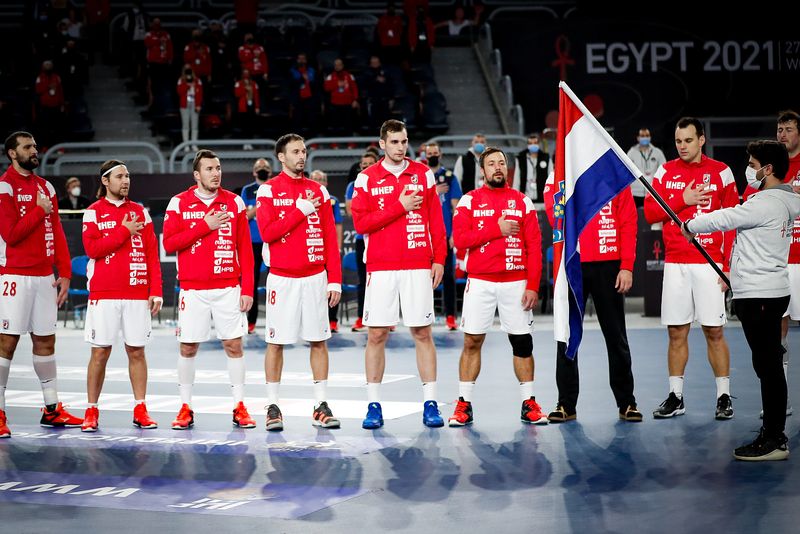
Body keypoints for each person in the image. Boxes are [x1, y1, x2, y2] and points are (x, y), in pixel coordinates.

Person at [681, 140, 800, 461]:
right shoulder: (786, 199)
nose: (749, 169)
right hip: (765, 292)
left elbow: (726, 218)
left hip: (761, 294)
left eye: (752, 163)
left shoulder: (767, 202)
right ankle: (773, 433)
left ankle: (775, 439)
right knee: (769, 363)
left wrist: (690, 224)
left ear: (768, 169)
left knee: (768, 366)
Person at [351, 119, 447, 429]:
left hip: (418, 264)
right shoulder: (366, 179)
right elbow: (362, 224)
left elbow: (436, 220)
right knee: (376, 334)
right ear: (382, 144)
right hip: (381, 266)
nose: (400, 147)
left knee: (422, 332)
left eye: (404, 141)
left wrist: (440, 259)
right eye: (394, 142)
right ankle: (373, 405)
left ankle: (430, 403)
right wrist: (400, 206)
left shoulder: (422, 174)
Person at [644, 117, 738, 420]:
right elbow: (649, 213)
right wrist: (682, 199)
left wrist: (726, 266)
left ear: (701, 140)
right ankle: (676, 396)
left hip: (708, 263)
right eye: (678, 141)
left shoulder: (721, 172)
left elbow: (734, 221)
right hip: (675, 263)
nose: (682, 146)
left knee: (714, 331)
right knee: (676, 333)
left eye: (688, 140)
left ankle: (724, 397)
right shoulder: (666, 171)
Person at [448, 146, 547, 426]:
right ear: (482, 171)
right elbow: (461, 239)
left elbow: (535, 247)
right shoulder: (469, 201)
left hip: (516, 283)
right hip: (480, 282)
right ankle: (463, 404)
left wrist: (533, 286)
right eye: (491, 164)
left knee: (522, 343)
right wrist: (496, 229)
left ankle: (529, 403)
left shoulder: (522, 202)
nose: (497, 167)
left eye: (501, 163)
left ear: (507, 168)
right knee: (471, 341)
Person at [163, 149, 256, 430]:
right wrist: (205, 225)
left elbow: (246, 250)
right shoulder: (179, 203)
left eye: (218, 168)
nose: (216, 173)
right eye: (209, 169)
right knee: (188, 347)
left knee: (234, 345)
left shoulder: (235, 202)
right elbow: (169, 244)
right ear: (196, 174)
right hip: (193, 289)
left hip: (228, 287)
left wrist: (247, 288)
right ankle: (185, 407)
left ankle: (240, 406)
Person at [256, 134, 343, 431]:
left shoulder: (318, 190)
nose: (301, 156)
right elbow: (267, 232)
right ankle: (272, 406)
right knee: (276, 342)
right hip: (282, 278)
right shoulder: (267, 191)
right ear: (282, 157)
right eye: (295, 151)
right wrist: (300, 210)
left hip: (316, 278)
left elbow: (331, 237)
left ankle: (320, 405)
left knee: (319, 340)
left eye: (303, 151)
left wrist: (336, 280)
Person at [0, 131, 82, 438]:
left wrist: (65, 272)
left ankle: (51, 409)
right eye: (27, 147)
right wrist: (39, 210)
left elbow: (57, 232)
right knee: (6, 343)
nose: (34, 151)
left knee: (46, 342)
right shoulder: (4, 187)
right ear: (12, 153)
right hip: (14, 276)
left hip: (44, 276)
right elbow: (11, 234)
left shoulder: (45, 187)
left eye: (34, 146)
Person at [543, 176, 642, 423]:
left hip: (608, 264)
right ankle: (566, 404)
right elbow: (552, 212)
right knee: (566, 336)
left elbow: (629, 221)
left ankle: (627, 402)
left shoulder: (613, 174)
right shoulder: (561, 173)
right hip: (572, 262)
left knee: (616, 335)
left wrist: (627, 266)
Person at [79, 160, 163, 432]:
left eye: (127, 176)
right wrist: (124, 231)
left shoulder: (141, 211)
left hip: (137, 293)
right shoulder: (93, 212)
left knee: (136, 351)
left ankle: (140, 408)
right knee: (100, 352)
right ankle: (91, 411)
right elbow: (93, 249)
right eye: (119, 176)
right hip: (104, 294)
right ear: (105, 181)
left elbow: (152, 253)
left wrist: (156, 290)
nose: (125, 181)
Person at [425, 142, 461, 330]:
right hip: (423, 236)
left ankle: (450, 317)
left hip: (444, 236)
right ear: (424, 154)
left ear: (440, 154)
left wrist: (454, 232)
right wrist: (433, 191)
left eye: (435, 153)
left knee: (447, 276)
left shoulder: (449, 177)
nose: (432, 155)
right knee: (423, 278)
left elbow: (456, 207)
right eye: (429, 153)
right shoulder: (420, 176)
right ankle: (425, 316)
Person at [345, 151, 379, 332]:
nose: (366, 166)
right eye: (363, 164)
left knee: (381, 280)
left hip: (380, 237)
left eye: (369, 163)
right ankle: (361, 317)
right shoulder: (353, 185)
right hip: (362, 238)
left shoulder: (383, 183)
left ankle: (384, 320)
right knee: (363, 279)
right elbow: (352, 211)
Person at [310, 169, 344, 333]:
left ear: (326, 183)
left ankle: (332, 320)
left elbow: (338, 225)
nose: (317, 182)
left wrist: (337, 248)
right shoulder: (304, 199)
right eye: (314, 179)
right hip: (312, 249)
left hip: (329, 249)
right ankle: (315, 320)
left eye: (321, 179)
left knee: (333, 285)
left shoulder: (333, 201)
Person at [241, 158, 271, 334]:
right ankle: (251, 321)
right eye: (258, 168)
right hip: (253, 242)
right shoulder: (247, 190)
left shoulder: (274, 187)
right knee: (251, 282)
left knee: (274, 283)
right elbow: (245, 216)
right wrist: (260, 206)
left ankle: (274, 320)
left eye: (265, 167)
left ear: (270, 171)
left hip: (272, 241)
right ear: (254, 172)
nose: (262, 169)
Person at [626, 128, 667, 208]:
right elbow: (627, 171)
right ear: (638, 138)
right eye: (642, 136)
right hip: (635, 192)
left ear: (650, 137)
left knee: (652, 218)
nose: (645, 138)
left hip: (653, 192)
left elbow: (664, 170)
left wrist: (660, 188)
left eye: (647, 136)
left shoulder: (657, 152)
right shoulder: (632, 152)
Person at [323, 58, 360, 136]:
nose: (337, 66)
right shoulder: (330, 76)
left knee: (349, 124)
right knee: (335, 125)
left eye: (339, 64)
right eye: (336, 65)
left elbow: (354, 89)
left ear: (342, 65)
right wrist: (337, 84)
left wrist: (355, 100)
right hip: (335, 104)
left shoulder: (349, 75)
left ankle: (350, 143)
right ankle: (334, 144)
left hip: (347, 104)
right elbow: (326, 88)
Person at [512, 132, 551, 202]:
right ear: (527, 145)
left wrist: (550, 196)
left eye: (535, 143)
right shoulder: (520, 158)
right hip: (525, 198)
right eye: (530, 143)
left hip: (542, 198)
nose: (533, 145)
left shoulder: (546, 158)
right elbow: (516, 179)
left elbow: (551, 178)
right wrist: (515, 197)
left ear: (539, 144)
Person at [177, 65, 203, 152]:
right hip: (185, 104)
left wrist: (198, 105)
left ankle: (194, 144)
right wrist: (188, 85)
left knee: (194, 125)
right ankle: (186, 145)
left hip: (195, 103)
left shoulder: (198, 81)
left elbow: (200, 94)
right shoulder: (181, 80)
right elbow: (179, 92)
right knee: (185, 125)